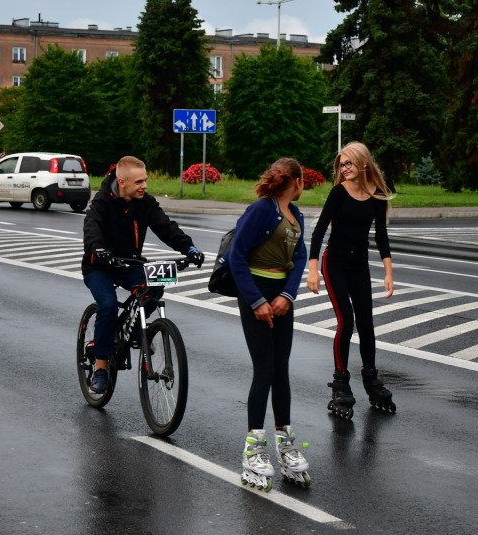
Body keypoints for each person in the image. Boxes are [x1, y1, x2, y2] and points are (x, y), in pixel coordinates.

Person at [80, 156, 203, 395]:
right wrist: (99, 250)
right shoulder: (102, 201)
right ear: (122, 182)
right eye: (139, 182)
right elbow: (91, 228)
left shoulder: (145, 203)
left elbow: (166, 227)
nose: (144, 186)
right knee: (107, 306)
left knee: (154, 287)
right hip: (100, 266)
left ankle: (137, 329)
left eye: (145, 180)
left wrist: (189, 248)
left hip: (130, 263)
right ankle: (102, 368)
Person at [227, 157, 310, 491]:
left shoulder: (295, 214)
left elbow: (300, 255)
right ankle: (253, 451)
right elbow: (236, 256)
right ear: (297, 181)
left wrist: (288, 295)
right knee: (264, 371)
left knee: (281, 371)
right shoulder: (261, 209)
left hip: (281, 300)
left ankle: (286, 445)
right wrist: (256, 301)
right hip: (257, 296)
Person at [306, 142, 395, 417]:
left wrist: (389, 271)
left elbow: (381, 235)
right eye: (341, 164)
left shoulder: (377, 195)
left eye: (348, 164)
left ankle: (371, 379)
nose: (344, 168)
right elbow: (319, 231)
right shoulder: (338, 193)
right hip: (334, 262)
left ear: (364, 164)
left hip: (359, 264)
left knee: (366, 323)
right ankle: (340, 383)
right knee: (346, 321)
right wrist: (312, 269)